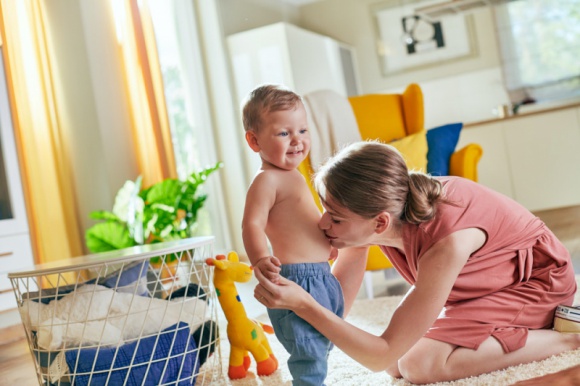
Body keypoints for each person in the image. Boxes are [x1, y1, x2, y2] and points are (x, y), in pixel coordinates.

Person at [253, 141, 580, 384]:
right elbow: (339, 307)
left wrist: (306, 307)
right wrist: (302, 312)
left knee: (418, 366)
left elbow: (378, 356)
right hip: (480, 288)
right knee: (400, 362)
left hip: (534, 285)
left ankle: (568, 337)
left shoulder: (445, 244)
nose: (323, 224)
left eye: (335, 218)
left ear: (379, 222)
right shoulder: (383, 213)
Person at [240, 84, 344, 385]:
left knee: (326, 338)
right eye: (284, 133)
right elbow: (252, 225)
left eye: (303, 130)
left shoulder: (294, 174)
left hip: (321, 275)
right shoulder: (266, 181)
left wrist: (326, 242)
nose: (297, 140)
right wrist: (260, 259)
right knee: (307, 348)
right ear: (254, 140)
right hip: (298, 279)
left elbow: (301, 221)